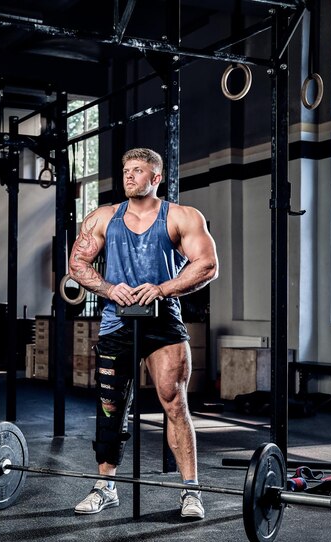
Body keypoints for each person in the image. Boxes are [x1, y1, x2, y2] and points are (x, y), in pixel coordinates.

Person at [69, 147, 218, 519]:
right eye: (125, 170)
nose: (129, 176)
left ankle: (191, 491)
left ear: (156, 178)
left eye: (138, 170)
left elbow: (208, 264)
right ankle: (105, 487)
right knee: (110, 407)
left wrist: (163, 288)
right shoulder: (103, 218)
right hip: (116, 320)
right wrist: (107, 288)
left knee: (174, 402)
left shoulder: (182, 217)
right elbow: (77, 262)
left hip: (163, 321)